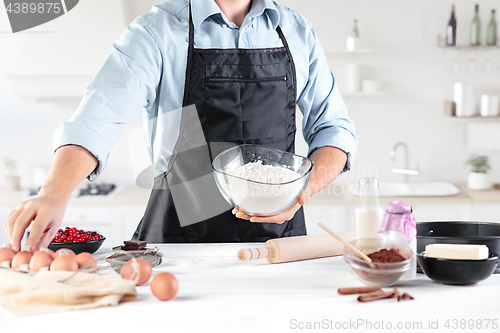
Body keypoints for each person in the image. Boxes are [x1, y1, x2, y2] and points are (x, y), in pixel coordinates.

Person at [4, 0, 357, 251]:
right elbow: (96, 120)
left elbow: (334, 131)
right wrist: (54, 192)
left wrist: (302, 191)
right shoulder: (156, 33)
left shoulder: (296, 31)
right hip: (180, 248)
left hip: (281, 247)